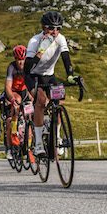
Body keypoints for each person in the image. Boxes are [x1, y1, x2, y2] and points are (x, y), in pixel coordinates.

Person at [24, 11, 76, 157]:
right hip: (33, 76)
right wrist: (40, 51)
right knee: (40, 101)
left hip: (49, 76)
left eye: (58, 28)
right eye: (51, 28)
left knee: (58, 103)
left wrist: (70, 75)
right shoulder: (35, 41)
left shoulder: (60, 39)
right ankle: (39, 143)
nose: (55, 32)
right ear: (43, 27)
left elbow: (66, 57)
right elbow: (27, 68)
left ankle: (57, 136)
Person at [2, 45, 33, 160]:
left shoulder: (28, 66)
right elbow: (8, 87)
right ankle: (11, 146)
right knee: (13, 113)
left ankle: (29, 146)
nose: (21, 62)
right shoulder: (11, 67)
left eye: (23, 59)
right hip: (14, 92)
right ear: (15, 59)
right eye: (18, 60)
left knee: (29, 116)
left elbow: (32, 83)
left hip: (25, 91)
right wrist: (12, 99)